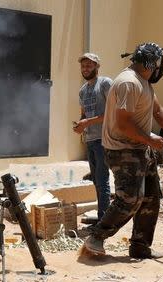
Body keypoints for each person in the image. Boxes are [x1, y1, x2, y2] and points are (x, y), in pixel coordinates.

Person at [84, 43, 163, 259]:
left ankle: (140, 247)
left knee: (151, 198)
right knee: (130, 197)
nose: (160, 68)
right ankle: (96, 237)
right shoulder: (128, 83)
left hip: (140, 148)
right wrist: (150, 138)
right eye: (158, 63)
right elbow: (123, 124)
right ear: (151, 63)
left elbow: (158, 111)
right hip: (123, 149)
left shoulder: (144, 83)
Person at [73, 53, 112, 221]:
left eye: (89, 65)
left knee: (102, 181)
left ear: (97, 66)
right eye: (83, 66)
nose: (85, 69)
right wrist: (80, 125)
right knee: (96, 180)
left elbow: (113, 112)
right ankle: (102, 217)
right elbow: (83, 114)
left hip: (104, 139)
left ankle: (104, 221)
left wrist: (87, 122)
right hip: (90, 140)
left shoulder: (105, 83)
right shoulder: (83, 91)